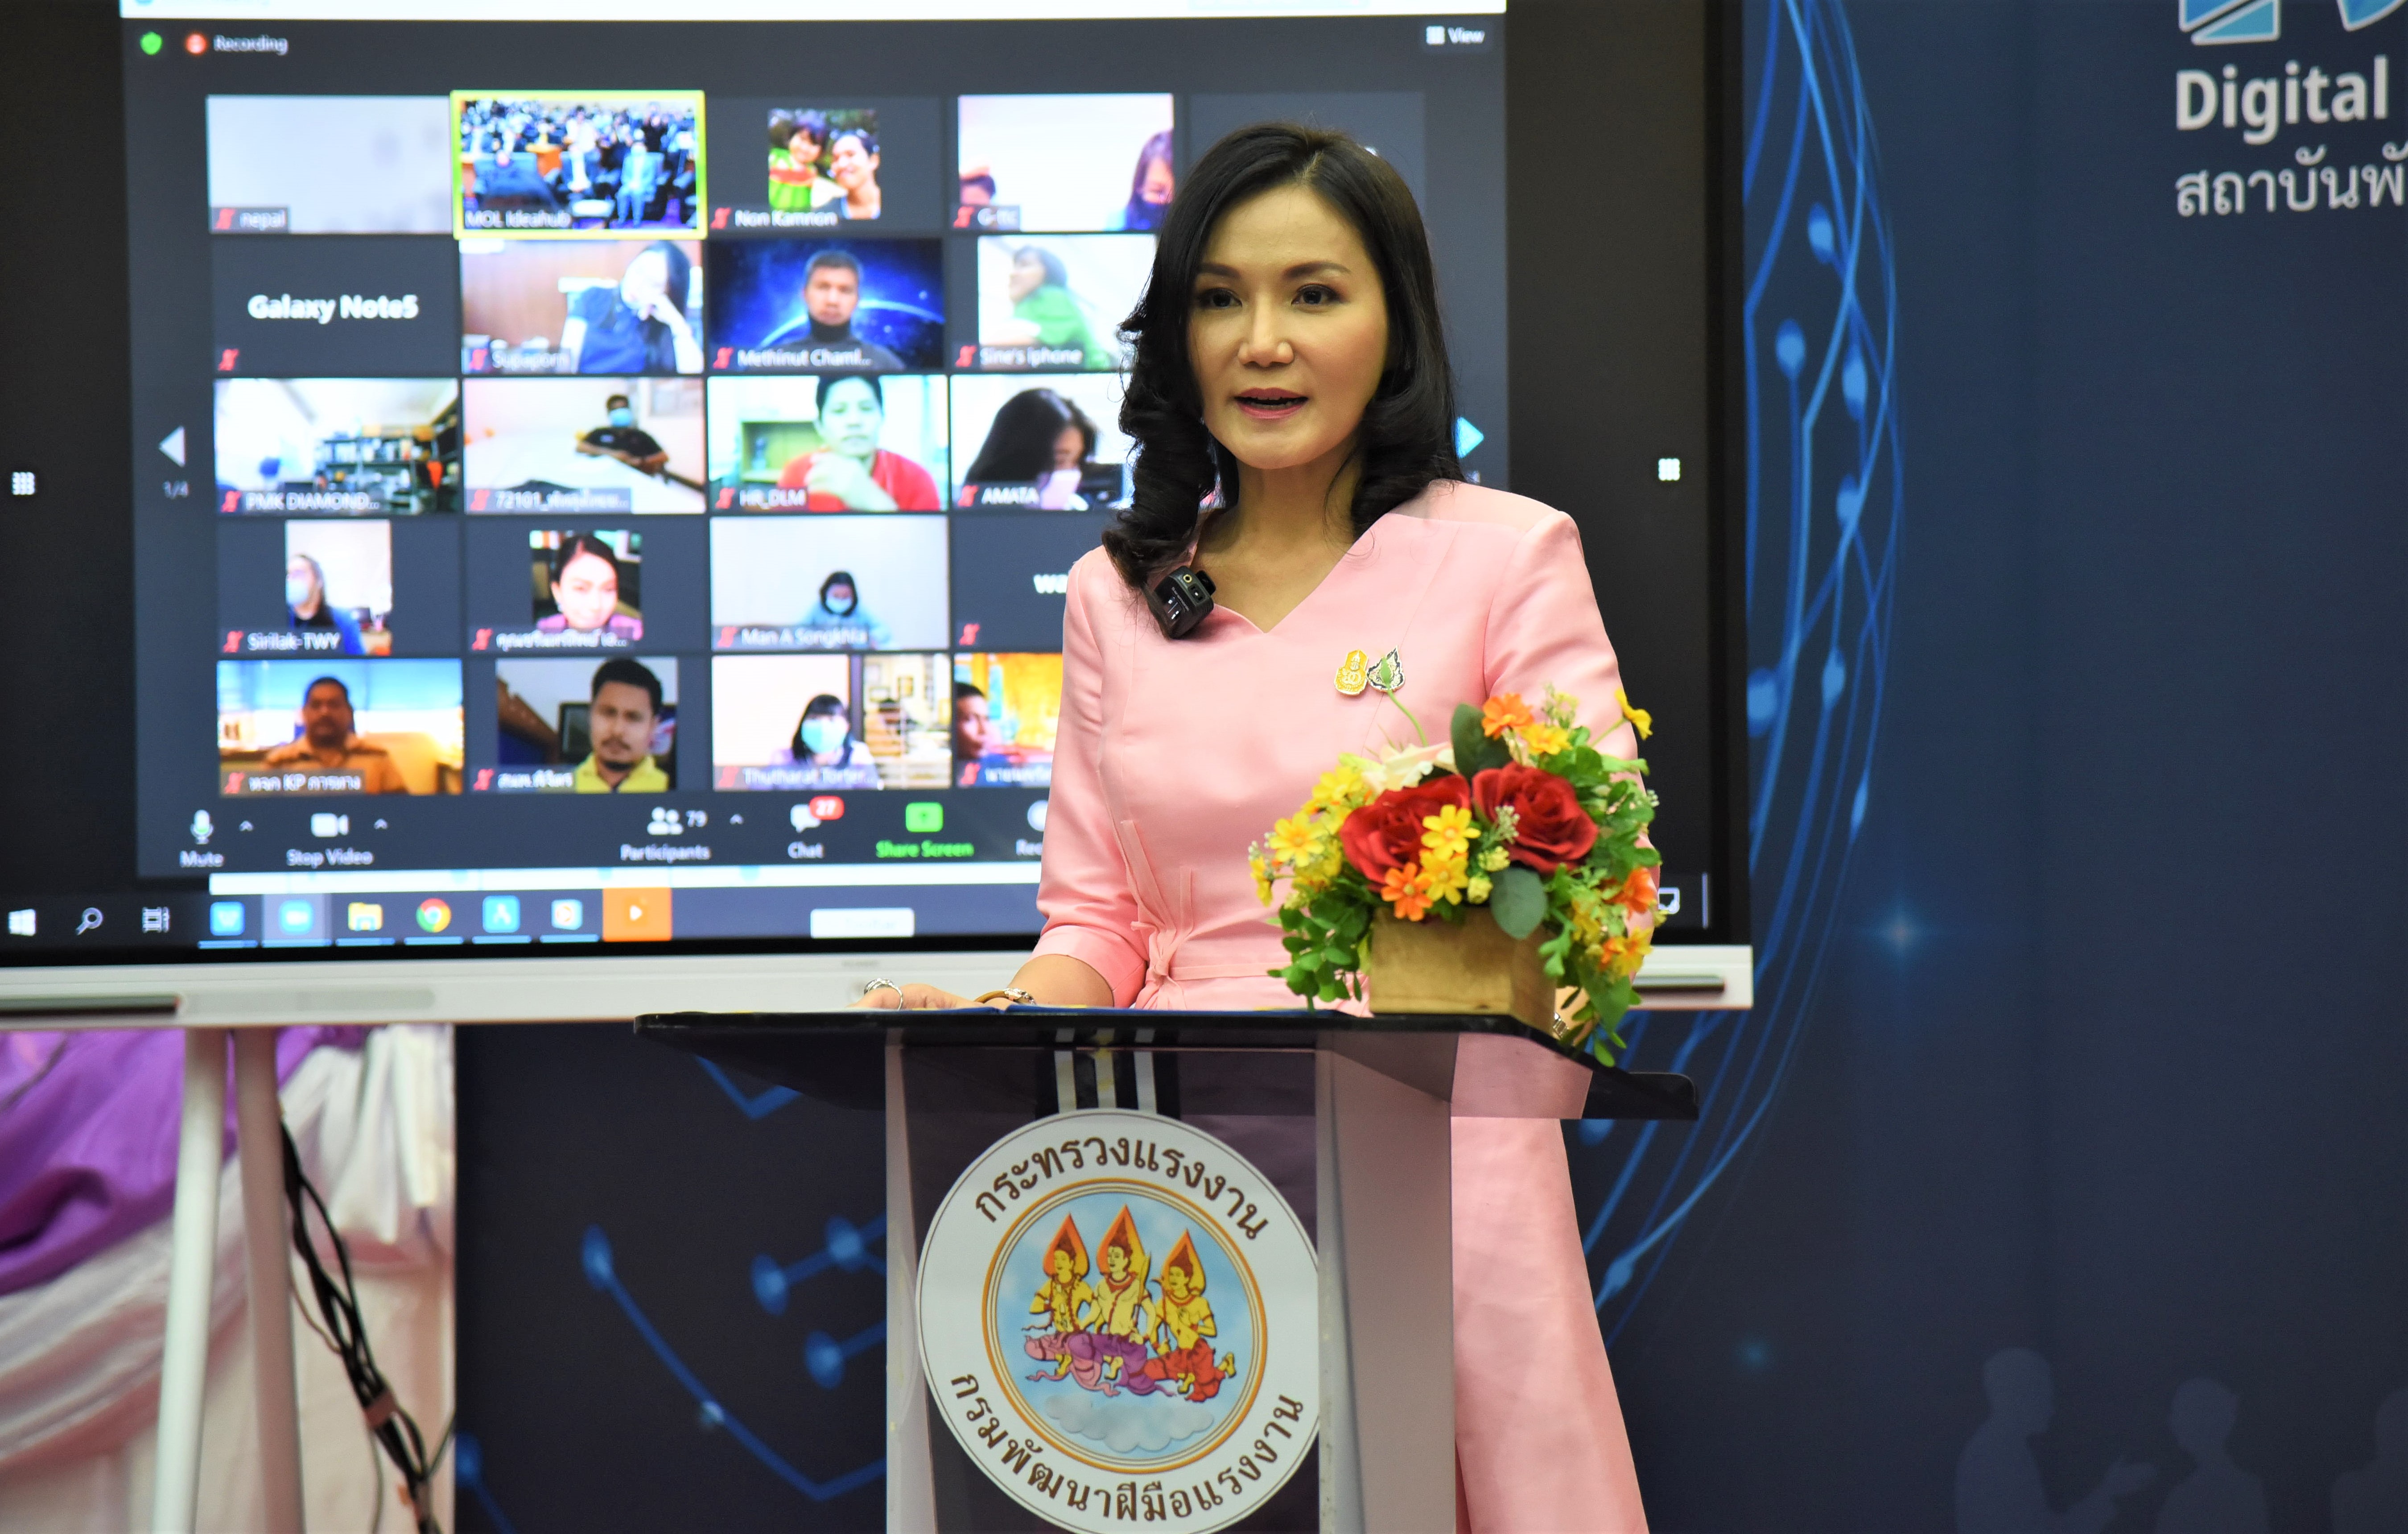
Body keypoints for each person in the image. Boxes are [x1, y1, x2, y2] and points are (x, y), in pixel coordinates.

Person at [857, 122, 1655, 1529]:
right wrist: (995, 1019)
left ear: (1395, 324)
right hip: (1175, 1161)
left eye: (1315, 293)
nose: (1262, 342)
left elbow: (1602, 883)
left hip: (1438, 1152)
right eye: (1220, 298)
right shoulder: (1117, 591)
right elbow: (1098, 915)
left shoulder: (1508, 555)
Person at [773, 375, 939, 510]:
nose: (854, 421)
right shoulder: (797, 475)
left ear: (882, 417)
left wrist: (875, 502)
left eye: (866, 409)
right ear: (820, 426)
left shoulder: (918, 480)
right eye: (839, 411)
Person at [561, 243, 700, 375]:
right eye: (639, 270)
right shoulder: (593, 296)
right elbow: (566, 363)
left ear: (667, 293)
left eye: (652, 284)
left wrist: (677, 323)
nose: (638, 284)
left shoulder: (661, 324)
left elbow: (694, 376)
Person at [260, 675, 408, 792]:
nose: (325, 713)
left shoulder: (377, 758)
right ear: (304, 713)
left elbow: (401, 813)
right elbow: (260, 815)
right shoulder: (279, 762)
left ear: (349, 712)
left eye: (334, 705)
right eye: (316, 706)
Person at [961, 387, 1100, 508]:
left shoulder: (1078, 508)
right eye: (1059, 461)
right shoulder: (970, 515)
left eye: (1077, 461)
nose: (1072, 474)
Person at [775, 250, 903, 370]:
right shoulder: (775, 360)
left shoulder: (884, 363)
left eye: (845, 290)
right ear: (805, 294)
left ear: (857, 300)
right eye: (823, 287)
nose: (833, 301)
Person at [990, 246, 1114, 369]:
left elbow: (1001, 351)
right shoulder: (1026, 306)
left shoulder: (1054, 297)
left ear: (1047, 272)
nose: (1013, 274)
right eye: (1015, 267)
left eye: (1025, 265)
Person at [572, 657, 670, 793]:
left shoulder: (671, 789)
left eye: (633, 718)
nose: (617, 730)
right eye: (608, 713)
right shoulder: (559, 787)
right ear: (591, 714)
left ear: (653, 726)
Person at [537, 535, 642, 640]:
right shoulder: (543, 631)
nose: (596, 606)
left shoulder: (636, 632)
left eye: (608, 589)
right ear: (557, 591)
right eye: (581, 589)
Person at [767, 693, 881, 787]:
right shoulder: (782, 758)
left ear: (847, 726)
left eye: (831, 720)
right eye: (814, 719)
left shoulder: (857, 755)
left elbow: (872, 795)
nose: (822, 726)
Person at [285, 553, 366, 654]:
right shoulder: (281, 623)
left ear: (319, 581)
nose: (291, 580)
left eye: (299, 574)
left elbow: (358, 661)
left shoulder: (343, 620)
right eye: (288, 575)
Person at [577, 394, 669, 476]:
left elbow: (663, 457)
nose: (620, 412)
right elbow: (581, 447)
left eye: (623, 408)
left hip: (634, 478)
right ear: (609, 413)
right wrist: (612, 454)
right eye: (616, 410)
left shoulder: (640, 435)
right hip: (605, 477)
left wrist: (640, 461)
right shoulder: (600, 433)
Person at [767, 110, 837, 214]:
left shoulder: (812, 171)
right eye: (802, 139)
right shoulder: (774, 157)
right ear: (791, 137)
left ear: (821, 151)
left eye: (814, 144)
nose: (805, 148)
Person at [796, 571, 891, 648]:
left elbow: (883, 630)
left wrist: (871, 638)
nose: (841, 600)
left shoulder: (860, 610)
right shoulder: (816, 609)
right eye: (836, 596)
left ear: (853, 596)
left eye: (845, 596)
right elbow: (798, 632)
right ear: (826, 594)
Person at [1109, 130, 1175, 232]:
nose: (1169, 200)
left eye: (1179, 192)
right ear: (1140, 186)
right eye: (1158, 191)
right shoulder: (1117, 224)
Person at [827, 127, 882, 220]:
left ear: (874, 160)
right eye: (836, 159)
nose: (842, 164)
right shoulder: (827, 215)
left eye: (851, 155)